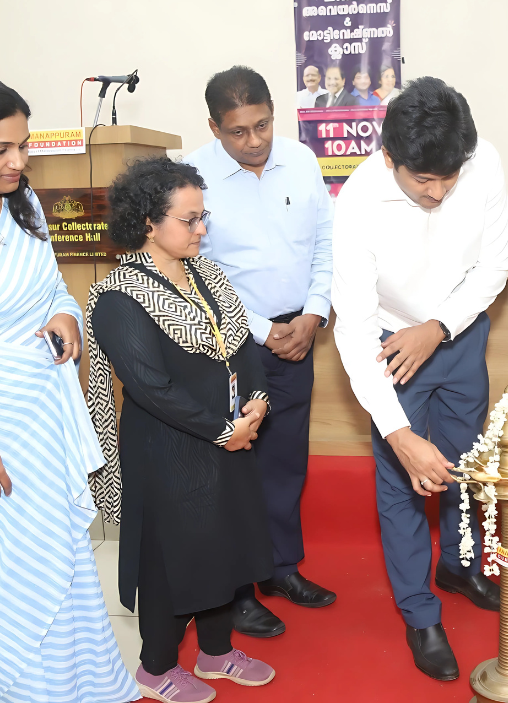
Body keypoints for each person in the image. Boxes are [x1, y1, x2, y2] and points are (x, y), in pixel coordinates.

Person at [332, 76, 508, 681]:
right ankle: (418, 612)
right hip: (388, 344)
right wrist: (397, 432)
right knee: (403, 478)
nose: (437, 192)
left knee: (465, 463)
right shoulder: (358, 200)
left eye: (448, 179)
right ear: (390, 157)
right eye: (423, 180)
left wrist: (439, 327)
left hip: (458, 331)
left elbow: (495, 265)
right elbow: (354, 329)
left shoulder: (482, 162)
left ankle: (459, 566)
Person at [87, 157, 276, 702]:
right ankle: (156, 667)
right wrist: (223, 430)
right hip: (167, 448)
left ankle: (215, 653)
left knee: (223, 544)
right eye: (189, 220)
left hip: (228, 436)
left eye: (202, 217)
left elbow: (243, 348)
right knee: (172, 559)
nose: (201, 229)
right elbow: (151, 388)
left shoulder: (207, 275)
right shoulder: (118, 296)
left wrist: (256, 403)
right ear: (149, 222)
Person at [0, 77, 138, 703]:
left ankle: (79, 685)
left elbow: (53, 287)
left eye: (23, 146)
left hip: (43, 417)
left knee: (62, 557)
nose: (18, 162)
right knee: (15, 569)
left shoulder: (25, 203)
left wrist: (66, 317)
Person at [185, 65, 336, 639]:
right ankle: (236, 592)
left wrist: (314, 312)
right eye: (238, 131)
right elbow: (194, 269)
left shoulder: (301, 160)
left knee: (285, 461)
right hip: (227, 343)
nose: (254, 141)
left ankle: (279, 569)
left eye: (263, 125)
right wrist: (257, 328)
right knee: (232, 466)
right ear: (213, 127)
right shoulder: (193, 176)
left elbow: (326, 242)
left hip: (299, 335)